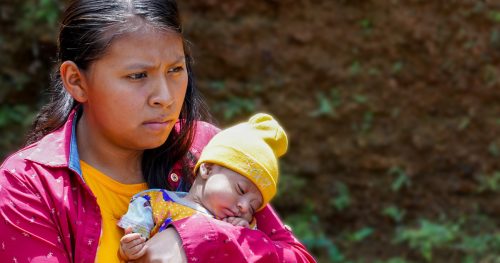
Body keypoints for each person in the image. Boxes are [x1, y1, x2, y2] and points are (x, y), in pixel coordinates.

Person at [0, 0, 316, 262]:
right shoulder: (28, 186)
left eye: (176, 70)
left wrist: (197, 240)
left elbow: (296, 256)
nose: (165, 97)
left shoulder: (207, 149)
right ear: (77, 81)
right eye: (138, 76)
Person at [118, 113, 287, 261]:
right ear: (207, 169)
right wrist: (129, 248)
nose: (244, 207)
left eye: (253, 206)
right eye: (241, 190)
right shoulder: (156, 201)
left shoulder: (239, 228)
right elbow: (135, 239)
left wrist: (241, 233)